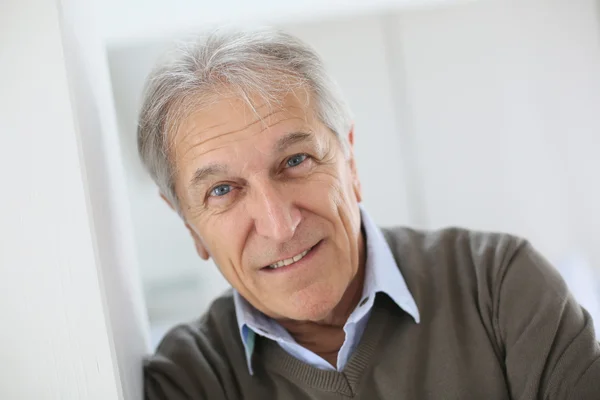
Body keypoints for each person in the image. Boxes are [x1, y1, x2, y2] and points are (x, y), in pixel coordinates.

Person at [139, 27, 600, 399]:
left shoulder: (498, 286)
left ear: (351, 161)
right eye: (222, 190)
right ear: (188, 224)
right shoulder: (188, 381)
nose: (280, 226)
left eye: (296, 161)